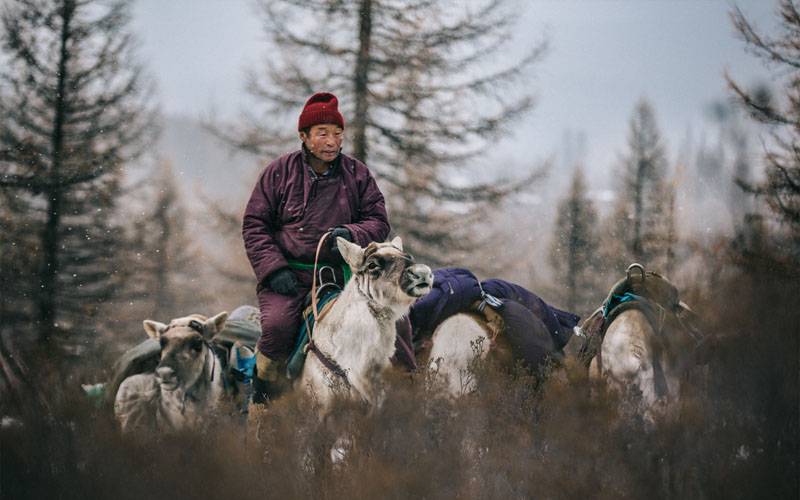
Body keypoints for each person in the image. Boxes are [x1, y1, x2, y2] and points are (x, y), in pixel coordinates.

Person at [242, 92, 391, 404]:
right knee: (278, 329)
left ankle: (394, 397)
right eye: (322, 133)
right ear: (304, 136)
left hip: (338, 276)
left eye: (337, 134)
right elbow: (255, 225)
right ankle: (265, 404)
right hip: (286, 278)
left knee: (384, 327)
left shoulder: (358, 175)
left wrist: (350, 232)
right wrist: (274, 268)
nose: (332, 142)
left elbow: (378, 221)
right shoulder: (278, 173)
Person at [410, 267, 580, 370]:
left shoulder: (420, 308)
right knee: (524, 312)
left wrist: (481, 306)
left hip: (470, 289)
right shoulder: (419, 308)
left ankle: (552, 357)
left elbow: (464, 290)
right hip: (467, 287)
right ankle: (554, 355)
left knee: (522, 316)